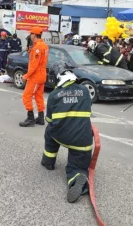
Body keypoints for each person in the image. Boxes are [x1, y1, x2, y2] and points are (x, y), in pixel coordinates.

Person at [41, 61, 92, 203]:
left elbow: (50, 120)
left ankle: (48, 162)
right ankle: (77, 178)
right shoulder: (85, 90)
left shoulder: (54, 95)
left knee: (49, 131)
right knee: (77, 166)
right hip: (83, 139)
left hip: (61, 135)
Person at [20, 27, 49, 127]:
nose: (30, 36)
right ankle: (41, 118)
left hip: (35, 76)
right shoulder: (43, 45)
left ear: (34, 35)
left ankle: (30, 118)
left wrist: (26, 76)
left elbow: (34, 65)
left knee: (26, 96)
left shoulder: (37, 47)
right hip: (42, 75)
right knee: (38, 96)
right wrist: (29, 45)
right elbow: (31, 54)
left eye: (31, 34)